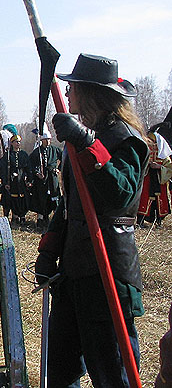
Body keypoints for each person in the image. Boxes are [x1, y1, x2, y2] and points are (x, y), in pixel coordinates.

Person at [34, 53, 149, 387]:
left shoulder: (127, 139)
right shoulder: (83, 137)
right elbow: (70, 205)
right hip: (73, 270)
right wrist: (48, 251)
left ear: (91, 93)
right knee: (61, 370)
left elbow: (120, 194)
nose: (67, 94)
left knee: (111, 372)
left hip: (107, 268)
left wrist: (86, 142)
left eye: (73, 88)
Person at [137, 126, 172, 226]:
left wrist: (159, 167)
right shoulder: (144, 150)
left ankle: (158, 221)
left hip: (158, 179)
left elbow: (169, 168)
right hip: (146, 178)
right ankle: (140, 221)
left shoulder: (163, 153)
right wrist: (147, 165)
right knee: (144, 198)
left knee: (159, 198)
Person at [29, 130, 63, 231]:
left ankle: (56, 220)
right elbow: (31, 164)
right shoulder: (37, 152)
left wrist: (58, 169)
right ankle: (41, 219)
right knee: (41, 198)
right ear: (42, 140)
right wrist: (36, 173)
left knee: (54, 196)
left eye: (49, 139)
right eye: (45, 140)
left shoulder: (55, 150)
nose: (48, 141)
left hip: (52, 177)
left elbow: (64, 158)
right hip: (41, 179)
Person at [0, 134, 33, 225]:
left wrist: (29, 180)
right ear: (12, 143)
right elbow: (1, 170)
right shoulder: (7, 155)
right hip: (11, 181)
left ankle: (21, 216)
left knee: (22, 199)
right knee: (9, 200)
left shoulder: (24, 154)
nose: (18, 143)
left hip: (21, 182)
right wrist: (5, 181)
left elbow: (28, 169)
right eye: (16, 142)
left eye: (19, 142)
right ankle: (11, 217)